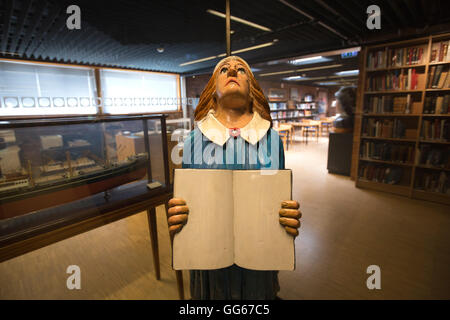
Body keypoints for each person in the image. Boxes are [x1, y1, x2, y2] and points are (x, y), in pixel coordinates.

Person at [167, 56, 301, 300]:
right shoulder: (195, 141)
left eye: (241, 70)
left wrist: (286, 216)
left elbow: (278, 201)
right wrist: (179, 212)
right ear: (213, 91)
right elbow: (187, 201)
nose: (232, 71)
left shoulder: (270, 140)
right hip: (208, 259)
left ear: (252, 90)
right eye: (224, 70)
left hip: (257, 258)